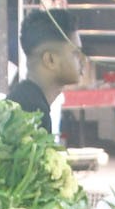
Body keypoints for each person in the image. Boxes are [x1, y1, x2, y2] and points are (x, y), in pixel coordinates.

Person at [5, 9, 85, 137]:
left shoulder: (26, 99)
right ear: (50, 60)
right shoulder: (31, 110)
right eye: (75, 53)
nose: (83, 60)